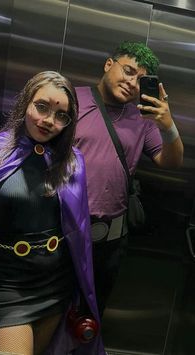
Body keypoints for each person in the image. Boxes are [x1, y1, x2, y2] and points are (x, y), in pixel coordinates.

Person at [0, 71, 106, 355]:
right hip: (7, 287)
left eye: (61, 115)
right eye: (42, 106)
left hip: (54, 287)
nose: (49, 120)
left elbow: (78, 234)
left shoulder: (71, 162)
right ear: (25, 102)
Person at [74, 41, 184, 317]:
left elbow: (171, 161)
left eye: (140, 79)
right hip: (61, 232)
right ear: (109, 65)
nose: (133, 83)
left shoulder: (143, 120)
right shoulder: (72, 100)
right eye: (128, 71)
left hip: (108, 243)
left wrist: (168, 125)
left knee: (89, 319)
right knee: (52, 311)